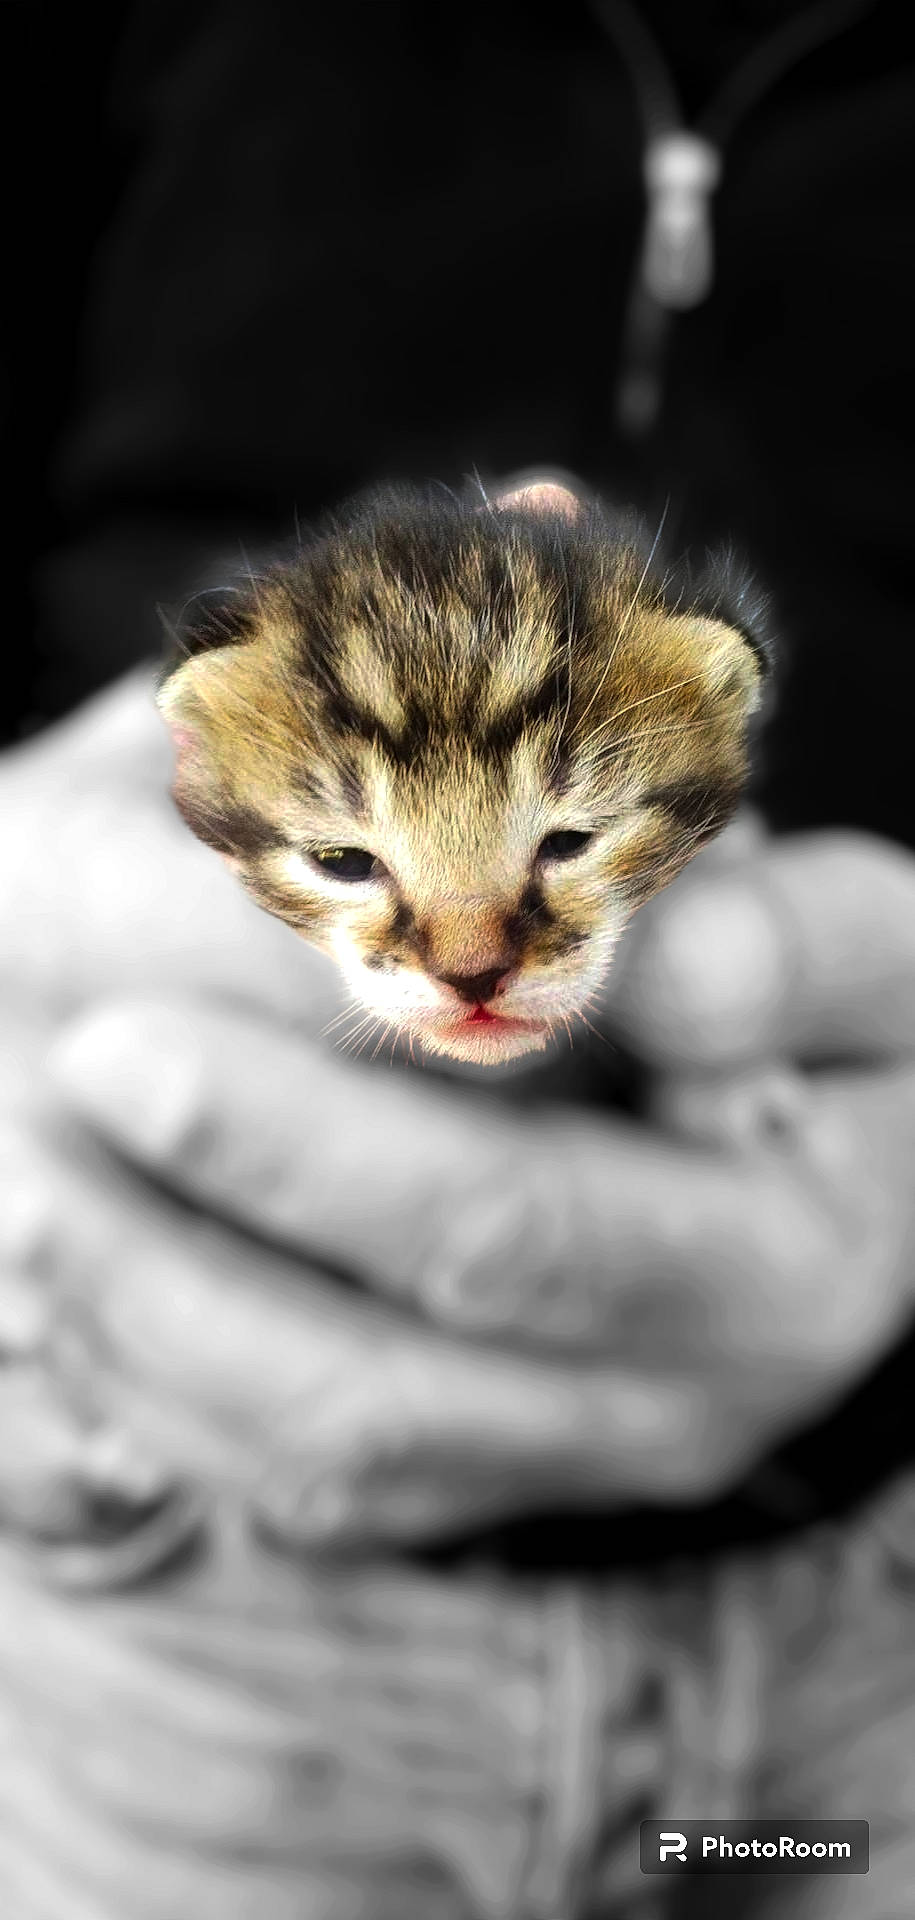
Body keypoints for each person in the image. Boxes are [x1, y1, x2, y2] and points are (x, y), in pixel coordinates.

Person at [3, 3, 915, 1914]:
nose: (471, 956)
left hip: (855, 1701)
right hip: (204, 1638)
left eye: (557, 851)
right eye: (363, 866)